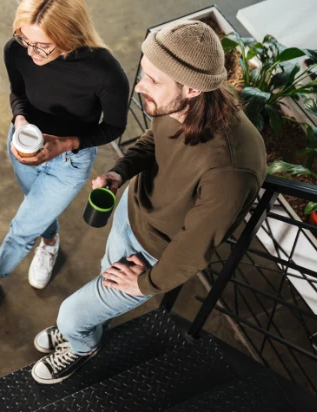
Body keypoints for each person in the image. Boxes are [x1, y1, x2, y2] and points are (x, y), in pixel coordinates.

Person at [29, 20, 267, 384]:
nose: (139, 86)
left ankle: (80, 345)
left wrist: (145, 284)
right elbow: (153, 141)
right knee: (103, 278)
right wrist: (122, 172)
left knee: (71, 314)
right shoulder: (184, 106)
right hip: (134, 211)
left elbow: (192, 249)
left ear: (191, 88)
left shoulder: (230, 170)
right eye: (144, 72)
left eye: (153, 80)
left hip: (155, 252)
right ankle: (87, 329)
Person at [0, 0, 130, 328]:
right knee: (37, 209)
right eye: (26, 40)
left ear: (71, 35)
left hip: (69, 160)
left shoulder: (105, 72)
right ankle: (51, 240)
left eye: (43, 46)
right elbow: (17, 94)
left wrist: (65, 144)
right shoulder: (16, 50)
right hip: (24, 144)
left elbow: (114, 128)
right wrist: (20, 120)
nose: (32, 54)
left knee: (24, 226)